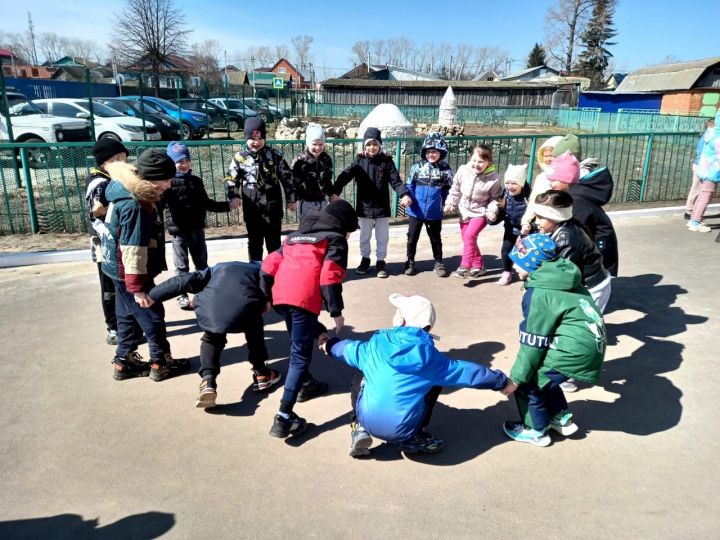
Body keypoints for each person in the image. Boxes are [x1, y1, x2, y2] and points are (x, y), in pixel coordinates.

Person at [320, 292, 513, 457]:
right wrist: (500, 381)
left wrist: (329, 344)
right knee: (433, 383)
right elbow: (469, 372)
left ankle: (359, 427)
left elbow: (348, 349)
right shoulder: (433, 360)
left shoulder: (374, 345)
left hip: (368, 419)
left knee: (361, 375)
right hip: (403, 430)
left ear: (402, 320)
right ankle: (414, 437)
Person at [260, 200, 359, 438]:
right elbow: (329, 275)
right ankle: (284, 416)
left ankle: (304, 385)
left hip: (281, 298)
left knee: (299, 333)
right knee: (298, 357)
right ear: (343, 225)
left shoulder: (293, 237)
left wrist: (266, 296)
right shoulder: (335, 240)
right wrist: (336, 310)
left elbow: (268, 264)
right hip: (302, 299)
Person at [502, 233, 606, 447]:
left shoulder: (539, 295)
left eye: (518, 264)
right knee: (547, 377)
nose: (514, 268)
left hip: (572, 350)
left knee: (529, 382)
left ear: (532, 265)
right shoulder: (564, 279)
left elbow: (533, 342)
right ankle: (561, 418)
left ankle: (536, 430)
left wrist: (516, 378)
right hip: (590, 343)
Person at [99, 149, 190, 381]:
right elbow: (132, 249)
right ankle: (161, 362)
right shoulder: (136, 205)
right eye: (166, 181)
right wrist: (138, 288)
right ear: (151, 178)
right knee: (151, 314)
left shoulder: (123, 189)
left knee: (127, 315)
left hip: (115, 268)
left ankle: (123, 362)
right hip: (131, 270)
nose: (169, 185)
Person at [148, 261, 281, 408]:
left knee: (212, 339)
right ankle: (261, 373)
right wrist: (267, 299)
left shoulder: (214, 270)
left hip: (211, 309)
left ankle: (208, 381)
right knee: (254, 331)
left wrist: (152, 295)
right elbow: (272, 281)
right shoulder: (259, 269)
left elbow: (183, 280)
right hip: (245, 308)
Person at [332, 127, 413, 278]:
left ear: (380, 145)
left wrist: (404, 194)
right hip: (364, 207)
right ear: (364, 146)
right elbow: (345, 176)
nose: (372, 148)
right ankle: (365, 259)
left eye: (375, 144)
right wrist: (335, 191)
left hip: (382, 206)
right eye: (369, 144)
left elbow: (396, 181)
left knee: (382, 236)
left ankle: (381, 261)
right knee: (364, 235)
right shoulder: (359, 161)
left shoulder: (387, 162)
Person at [164, 141, 231, 310]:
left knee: (201, 262)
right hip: (178, 230)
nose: (184, 164)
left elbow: (206, 202)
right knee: (181, 264)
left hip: (196, 228)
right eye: (179, 161)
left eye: (186, 160)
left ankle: (203, 291)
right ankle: (182, 293)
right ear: (171, 163)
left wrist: (227, 206)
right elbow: (161, 207)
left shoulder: (196, 181)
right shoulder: (167, 184)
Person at [225, 117, 297, 264]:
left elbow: (287, 177)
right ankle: (255, 270)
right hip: (252, 206)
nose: (256, 142)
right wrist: (234, 196)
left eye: (260, 138)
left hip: (273, 205)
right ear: (246, 138)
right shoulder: (239, 158)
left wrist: (292, 198)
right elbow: (232, 178)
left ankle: (274, 271)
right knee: (254, 242)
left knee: (274, 242)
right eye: (252, 138)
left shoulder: (275, 155)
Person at [533, 188, 612, 314]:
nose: (536, 222)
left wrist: (533, 275)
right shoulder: (566, 224)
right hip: (583, 282)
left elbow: (563, 276)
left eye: (540, 217)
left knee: (586, 324)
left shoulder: (567, 239)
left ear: (556, 217)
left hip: (592, 287)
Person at [85, 138, 133, 345]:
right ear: (111, 160)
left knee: (121, 282)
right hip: (105, 242)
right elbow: (96, 215)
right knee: (109, 285)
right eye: (123, 159)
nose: (127, 163)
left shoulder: (110, 178)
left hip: (116, 240)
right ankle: (113, 326)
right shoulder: (99, 183)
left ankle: (126, 323)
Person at [549, 136, 619, 276]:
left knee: (596, 275)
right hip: (593, 241)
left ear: (567, 180)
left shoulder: (577, 200)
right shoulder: (573, 191)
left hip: (599, 245)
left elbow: (578, 232)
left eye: (555, 180)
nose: (551, 183)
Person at [444, 144, 502, 278]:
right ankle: (478, 266)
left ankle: (465, 266)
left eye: (481, 161)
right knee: (468, 240)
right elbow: (455, 189)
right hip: (464, 211)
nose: (477, 164)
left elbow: (495, 198)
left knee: (470, 236)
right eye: (474, 160)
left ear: (488, 162)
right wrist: (450, 203)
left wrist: (492, 211)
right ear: (470, 158)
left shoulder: (494, 178)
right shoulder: (463, 170)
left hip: (480, 213)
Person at [403, 131, 454, 277]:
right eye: (429, 151)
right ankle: (410, 261)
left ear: (441, 152)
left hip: (434, 212)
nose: (431, 154)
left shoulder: (446, 170)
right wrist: (409, 199)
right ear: (424, 152)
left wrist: (445, 203)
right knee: (412, 237)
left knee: (435, 238)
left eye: (435, 151)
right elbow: (410, 185)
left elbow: (448, 190)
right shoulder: (417, 167)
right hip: (416, 211)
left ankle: (438, 262)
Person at [487, 164, 530, 286]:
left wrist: (530, 225)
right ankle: (507, 272)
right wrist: (493, 218)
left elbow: (534, 212)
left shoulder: (529, 196)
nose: (510, 187)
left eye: (514, 183)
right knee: (506, 250)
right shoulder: (505, 194)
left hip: (527, 229)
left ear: (521, 183)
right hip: (510, 227)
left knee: (527, 251)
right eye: (508, 183)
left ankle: (528, 273)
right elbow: (501, 210)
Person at [291, 123, 337, 219]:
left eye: (321, 144)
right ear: (308, 143)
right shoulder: (300, 160)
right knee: (307, 228)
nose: (317, 148)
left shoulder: (326, 158)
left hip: (322, 200)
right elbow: (294, 182)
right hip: (306, 201)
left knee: (322, 226)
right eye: (314, 144)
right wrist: (292, 200)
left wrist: (331, 194)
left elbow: (327, 180)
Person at [520, 135, 563, 235]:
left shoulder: (565, 180)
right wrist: (525, 221)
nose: (548, 159)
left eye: (552, 155)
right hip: (540, 225)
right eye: (546, 156)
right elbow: (533, 201)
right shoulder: (541, 177)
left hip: (558, 226)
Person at [688, 111, 720, 234]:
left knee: (702, 194)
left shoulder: (711, 132)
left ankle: (695, 218)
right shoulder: (718, 137)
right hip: (712, 171)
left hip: (704, 168)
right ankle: (695, 222)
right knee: (706, 196)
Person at [684, 118, 715, 220]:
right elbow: (701, 153)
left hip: (702, 165)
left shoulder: (707, 136)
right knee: (697, 189)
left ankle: (692, 211)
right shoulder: (707, 137)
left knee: (699, 189)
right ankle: (689, 211)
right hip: (701, 165)